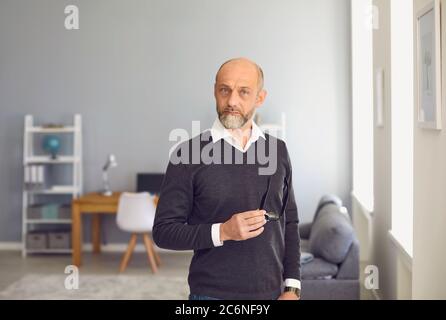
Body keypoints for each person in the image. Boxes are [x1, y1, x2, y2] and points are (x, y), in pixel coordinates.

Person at [153, 58, 301, 300]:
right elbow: (163, 232)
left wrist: (292, 288)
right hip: (211, 295)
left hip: (273, 294)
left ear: (260, 98)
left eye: (243, 92)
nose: (232, 101)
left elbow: (290, 222)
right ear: (215, 92)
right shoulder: (187, 155)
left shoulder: (278, 151)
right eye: (225, 90)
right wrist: (223, 231)